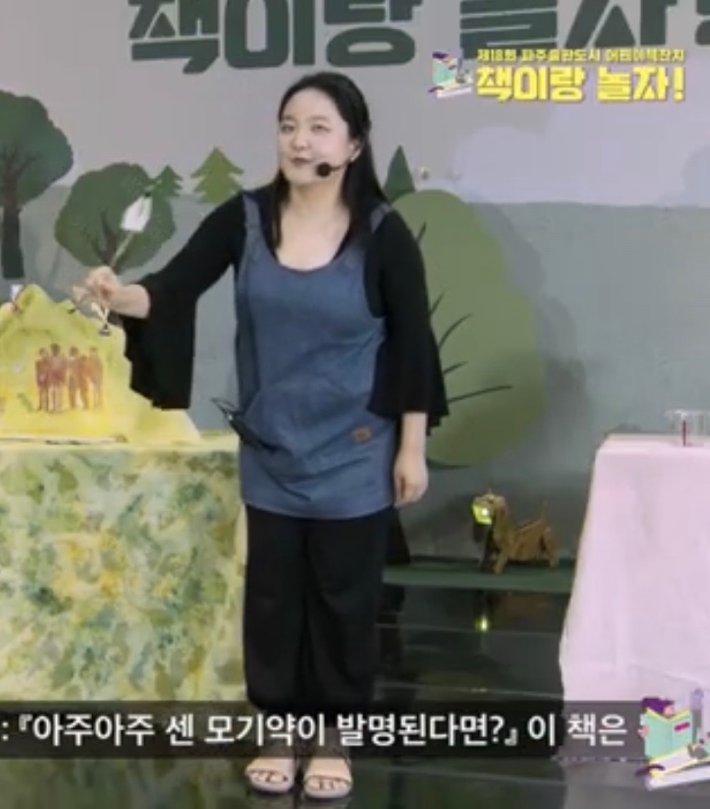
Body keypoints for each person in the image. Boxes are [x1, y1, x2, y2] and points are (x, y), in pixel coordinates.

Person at [82, 71, 447, 799]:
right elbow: (173, 288)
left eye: (318, 128)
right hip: (273, 449)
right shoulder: (245, 218)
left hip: (356, 450)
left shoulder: (382, 232)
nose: (299, 141)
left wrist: (412, 447)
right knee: (274, 598)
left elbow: (413, 344)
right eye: (288, 126)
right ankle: (279, 728)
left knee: (343, 598)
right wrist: (117, 295)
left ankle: (333, 735)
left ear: (352, 146)